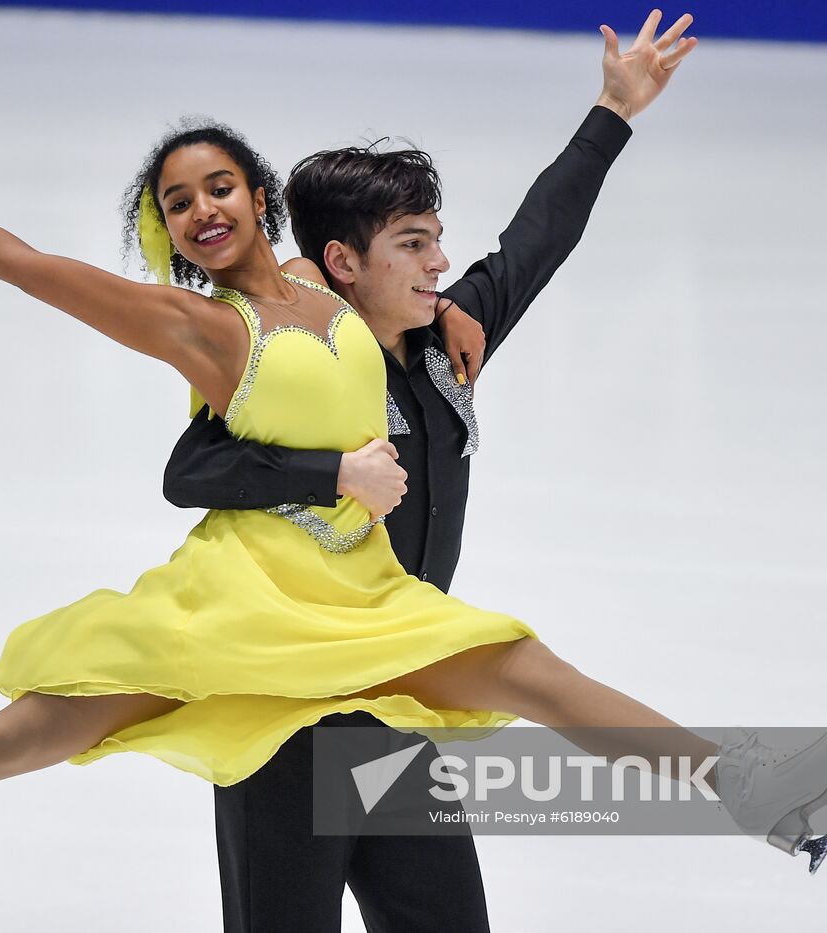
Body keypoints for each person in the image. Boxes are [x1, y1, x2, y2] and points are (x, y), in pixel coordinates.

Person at [0, 10, 827, 907]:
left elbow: (533, 238)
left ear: (258, 194)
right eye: (179, 196)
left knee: (529, 671)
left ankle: (755, 792)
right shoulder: (223, 323)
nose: (204, 206)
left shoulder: (393, 311)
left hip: (368, 618)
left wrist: (609, 114)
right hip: (249, 608)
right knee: (29, 732)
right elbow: (61, 303)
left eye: (223, 183)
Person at [164, 40, 646, 933]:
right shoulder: (296, 367)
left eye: (435, 242)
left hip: (399, 708)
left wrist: (613, 112)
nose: (437, 265)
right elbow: (189, 470)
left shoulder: (445, 341)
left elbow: (540, 237)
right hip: (289, 719)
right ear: (345, 262)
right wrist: (332, 469)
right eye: (412, 245)